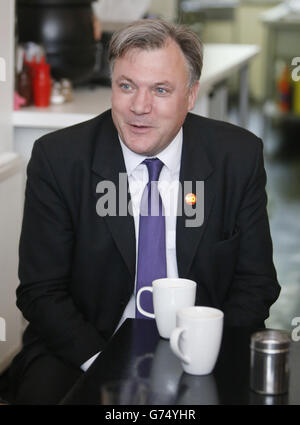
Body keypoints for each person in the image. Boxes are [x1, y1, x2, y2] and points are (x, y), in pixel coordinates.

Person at [2, 19, 280, 404]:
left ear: (192, 94)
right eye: (127, 85)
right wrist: (103, 363)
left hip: (202, 346)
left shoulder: (238, 157)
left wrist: (203, 352)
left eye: (161, 90)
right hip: (83, 344)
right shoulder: (60, 159)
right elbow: (40, 291)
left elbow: (256, 284)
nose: (139, 107)